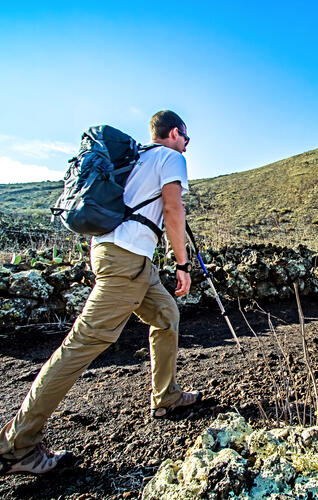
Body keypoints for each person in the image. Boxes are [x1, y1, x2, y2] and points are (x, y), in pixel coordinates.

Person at [0, 110, 198, 475]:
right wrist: (183, 265)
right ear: (174, 133)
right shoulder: (171, 157)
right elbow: (173, 208)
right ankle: (17, 446)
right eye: (188, 138)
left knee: (166, 314)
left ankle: (165, 396)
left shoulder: (137, 158)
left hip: (127, 258)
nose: (189, 145)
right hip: (126, 261)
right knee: (81, 346)